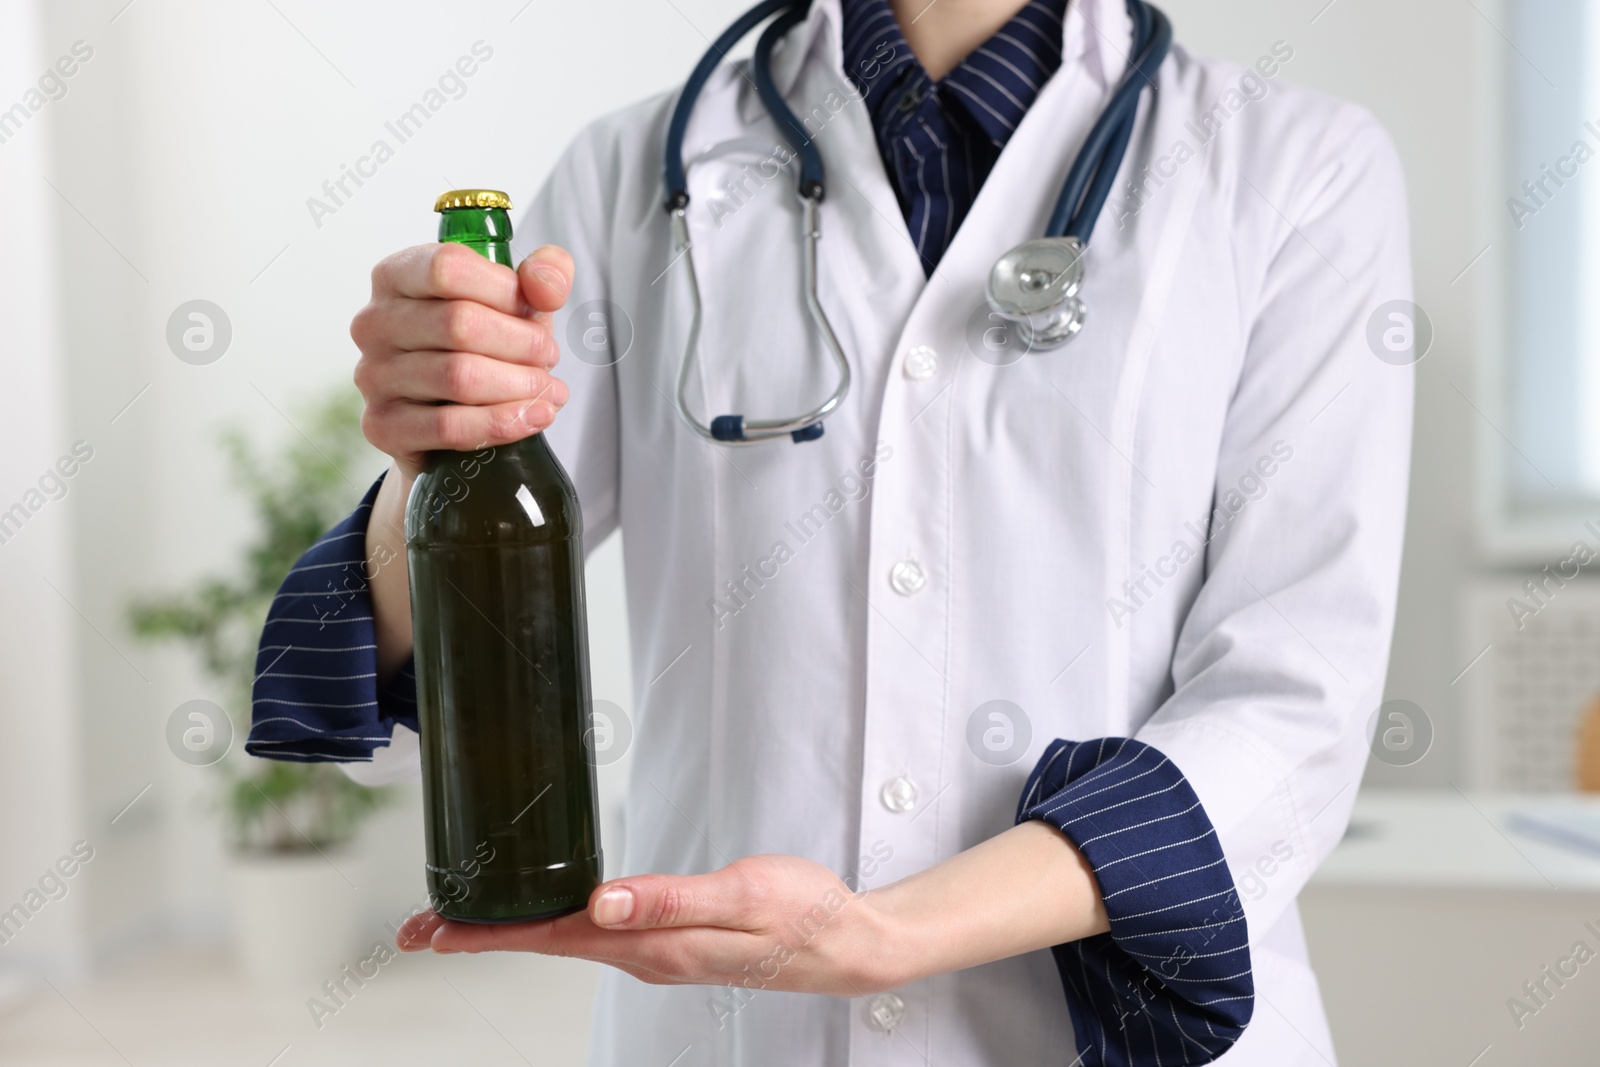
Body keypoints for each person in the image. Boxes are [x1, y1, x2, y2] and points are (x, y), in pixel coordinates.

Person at [246, 0, 1413, 1063]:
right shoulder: (629, 178)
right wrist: (440, 440)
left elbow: (1292, 695)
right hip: (730, 1030)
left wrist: (890, 931)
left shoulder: (1291, 167)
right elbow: (470, 608)